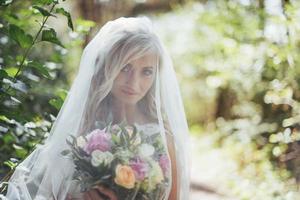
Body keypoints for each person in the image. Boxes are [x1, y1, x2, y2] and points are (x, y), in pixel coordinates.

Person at [4, 16, 190, 200]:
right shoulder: (79, 127)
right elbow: (50, 192)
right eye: (125, 67)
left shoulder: (163, 138)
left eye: (146, 72)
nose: (134, 82)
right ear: (107, 66)